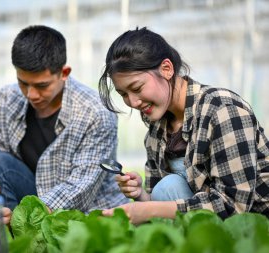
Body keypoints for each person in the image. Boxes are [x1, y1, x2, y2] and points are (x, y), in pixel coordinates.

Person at [0, 25, 129, 221]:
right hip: (34, 203)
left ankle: (19, 231)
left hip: (86, 214)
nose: (31, 94)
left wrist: (22, 217)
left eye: (42, 85)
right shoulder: (7, 99)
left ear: (64, 73)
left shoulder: (96, 113)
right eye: (23, 83)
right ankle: (8, 234)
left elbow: (79, 189)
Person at [99, 27, 269, 225]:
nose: (133, 102)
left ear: (167, 69)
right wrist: (140, 197)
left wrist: (148, 210)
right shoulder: (157, 128)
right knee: (166, 186)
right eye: (124, 95)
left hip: (255, 229)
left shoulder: (222, 109)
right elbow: (161, 199)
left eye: (137, 88)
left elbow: (233, 207)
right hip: (207, 228)